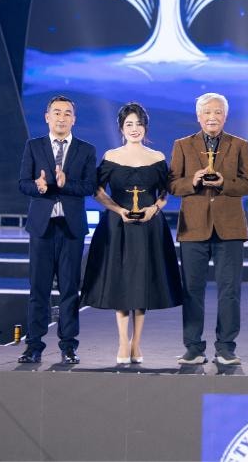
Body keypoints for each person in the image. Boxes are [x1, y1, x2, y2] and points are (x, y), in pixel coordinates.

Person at [80, 102, 183, 364]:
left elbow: (166, 192)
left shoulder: (157, 157)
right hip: (118, 228)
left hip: (149, 227)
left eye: (138, 124)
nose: (134, 128)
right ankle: (122, 342)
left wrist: (154, 209)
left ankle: (137, 344)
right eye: (129, 124)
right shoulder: (111, 156)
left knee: (142, 283)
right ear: (121, 128)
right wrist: (117, 210)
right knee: (121, 282)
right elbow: (97, 190)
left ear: (145, 127)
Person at [169, 93, 248, 365]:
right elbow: (172, 184)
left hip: (229, 228)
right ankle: (193, 347)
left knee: (229, 291)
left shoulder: (239, 145)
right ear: (198, 116)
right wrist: (192, 181)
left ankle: (226, 347)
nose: (212, 117)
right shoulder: (182, 145)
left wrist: (223, 183)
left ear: (225, 116)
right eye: (207, 112)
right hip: (193, 227)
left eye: (218, 112)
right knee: (192, 290)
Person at [16, 95, 97, 364]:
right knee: (38, 289)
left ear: (74, 119)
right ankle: (33, 346)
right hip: (42, 227)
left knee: (69, 289)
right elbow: (23, 183)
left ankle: (68, 346)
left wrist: (65, 184)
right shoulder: (34, 146)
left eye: (67, 113)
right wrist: (38, 187)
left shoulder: (85, 150)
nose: (62, 118)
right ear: (47, 117)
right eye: (57, 113)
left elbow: (89, 187)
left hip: (71, 229)